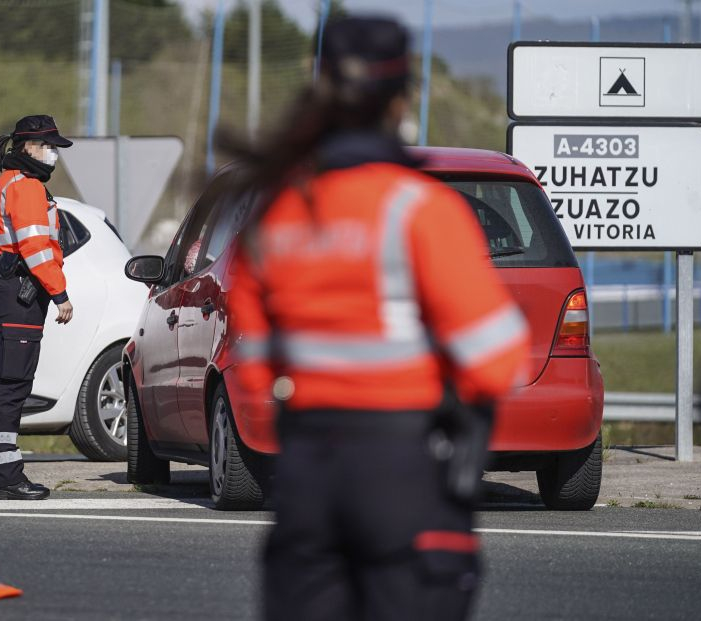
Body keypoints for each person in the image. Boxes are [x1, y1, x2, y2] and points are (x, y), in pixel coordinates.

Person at [224, 16, 531, 621]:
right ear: (400, 100)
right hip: (401, 469)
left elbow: (254, 367)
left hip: (308, 472)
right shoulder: (420, 209)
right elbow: (497, 362)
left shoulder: (278, 212)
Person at [0, 114, 74, 500]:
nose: (53, 154)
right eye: (48, 146)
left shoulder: (9, 180)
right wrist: (60, 293)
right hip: (20, 291)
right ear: (28, 147)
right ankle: (6, 479)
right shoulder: (26, 186)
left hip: (11, 288)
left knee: (9, 381)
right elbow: (35, 247)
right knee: (12, 385)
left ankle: (4, 475)